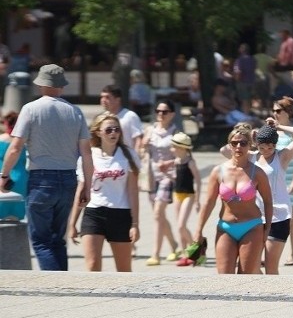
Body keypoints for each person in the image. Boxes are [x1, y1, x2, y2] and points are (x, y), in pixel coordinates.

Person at [0, 64, 94, 271]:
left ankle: (55, 286)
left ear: (40, 84)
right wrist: (87, 186)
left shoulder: (31, 109)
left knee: (41, 240)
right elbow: (86, 153)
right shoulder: (75, 112)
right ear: (62, 86)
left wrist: (4, 174)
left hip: (41, 180)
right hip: (69, 179)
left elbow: (15, 147)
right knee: (57, 239)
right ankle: (63, 281)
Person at [220, 121, 293, 274]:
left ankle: (275, 296)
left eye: (271, 147)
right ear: (257, 145)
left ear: (275, 145)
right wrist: (248, 134)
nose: (267, 150)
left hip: (279, 217)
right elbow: (225, 150)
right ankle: (259, 290)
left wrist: (279, 127)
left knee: (270, 265)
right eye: (262, 147)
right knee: (250, 266)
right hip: (256, 218)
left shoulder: (282, 156)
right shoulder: (251, 157)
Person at [195, 126, 273, 274]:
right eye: (234, 143)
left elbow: (268, 202)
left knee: (245, 277)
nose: (238, 146)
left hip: (252, 227)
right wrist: (198, 230)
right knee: (224, 276)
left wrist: (267, 229)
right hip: (225, 227)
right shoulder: (218, 171)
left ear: (250, 146)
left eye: (243, 143)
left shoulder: (258, 173)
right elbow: (209, 202)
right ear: (229, 145)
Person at [67, 113, 140, 272]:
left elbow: (133, 192)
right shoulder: (88, 156)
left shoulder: (128, 155)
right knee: (92, 266)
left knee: (124, 270)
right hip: (94, 213)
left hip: (121, 214)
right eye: (108, 130)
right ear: (98, 132)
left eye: (116, 129)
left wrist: (135, 224)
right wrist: (72, 223)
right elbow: (81, 190)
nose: (113, 133)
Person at [141, 99, 181, 265]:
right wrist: (143, 144)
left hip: (168, 177)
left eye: (164, 112)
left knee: (158, 213)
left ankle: (155, 254)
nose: (160, 114)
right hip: (151, 177)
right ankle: (174, 245)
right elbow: (141, 150)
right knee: (159, 216)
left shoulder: (175, 132)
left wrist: (169, 163)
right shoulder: (149, 130)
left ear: (172, 114)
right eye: (158, 111)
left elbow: (183, 157)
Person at [272, 97, 293, 265]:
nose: (275, 114)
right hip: (273, 180)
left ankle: (292, 254)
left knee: (291, 218)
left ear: (287, 113)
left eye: (278, 111)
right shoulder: (272, 131)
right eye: (274, 111)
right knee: (272, 217)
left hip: (290, 179)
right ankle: (271, 252)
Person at [169, 132, 202, 267]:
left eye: (174, 147)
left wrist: (197, 200)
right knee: (179, 227)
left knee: (182, 225)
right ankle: (185, 254)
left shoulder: (190, 162)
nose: (172, 149)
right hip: (177, 195)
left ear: (182, 148)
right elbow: (178, 179)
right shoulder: (176, 161)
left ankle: (195, 250)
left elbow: (198, 181)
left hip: (189, 195)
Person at [0, 112, 27, 220]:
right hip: (21, 177)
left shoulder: (1, 139)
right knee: (17, 216)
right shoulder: (22, 142)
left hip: (3, 175)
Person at [100, 85, 144, 151]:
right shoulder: (102, 117)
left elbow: (138, 140)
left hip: (127, 158)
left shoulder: (130, 116)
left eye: (107, 97)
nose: (103, 100)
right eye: (102, 97)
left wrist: (135, 158)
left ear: (118, 99)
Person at [234, 43, 257, 114]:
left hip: (243, 82)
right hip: (251, 82)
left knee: (244, 100)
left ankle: (246, 115)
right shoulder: (253, 59)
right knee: (249, 99)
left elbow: (238, 72)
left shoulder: (240, 60)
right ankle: (249, 113)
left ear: (242, 50)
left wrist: (237, 81)